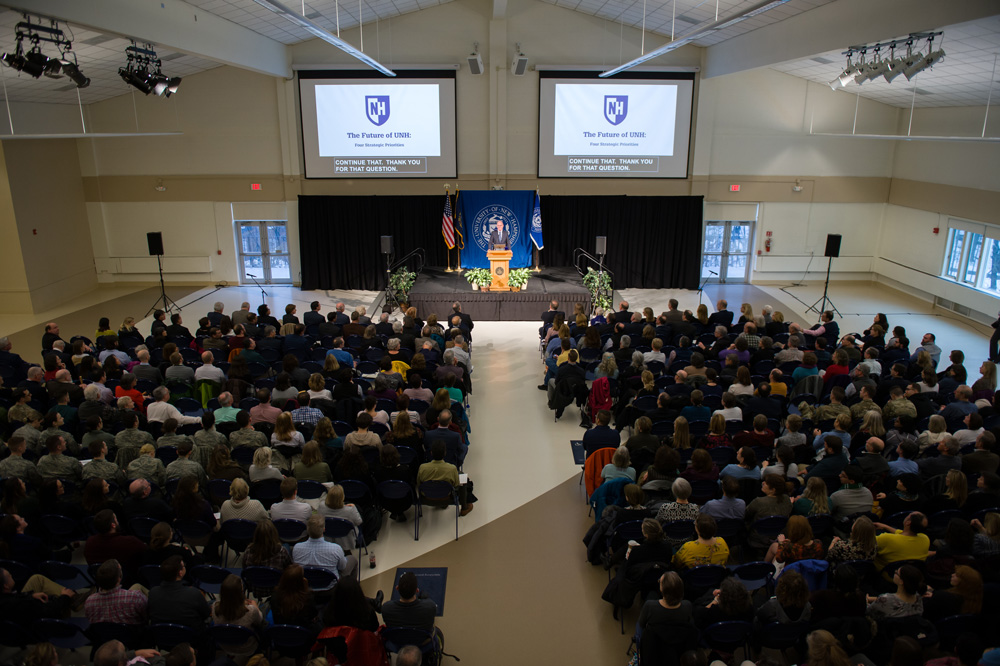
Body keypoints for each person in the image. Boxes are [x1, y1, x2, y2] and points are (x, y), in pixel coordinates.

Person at [148, 555, 211, 638]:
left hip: (163, 638)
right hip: (190, 640)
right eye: (184, 566)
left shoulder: (153, 592)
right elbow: (206, 614)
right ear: (180, 573)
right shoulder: (194, 593)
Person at [381, 570, 442, 646]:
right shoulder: (430, 607)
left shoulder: (386, 608)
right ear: (417, 590)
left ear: (397, 588)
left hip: (397, 642)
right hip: (422, 642)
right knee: (425, 595)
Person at [210, 574, 264, 656]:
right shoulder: (251, 611)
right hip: (247, 648)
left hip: (225, 646)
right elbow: (260, 621)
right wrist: (256, 607)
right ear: (241, 592)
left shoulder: (214, 607)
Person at [85, 559, 147, 625]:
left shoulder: (89, 602)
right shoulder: (135, 597)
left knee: (136, 586)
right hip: (134, 633)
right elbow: (146, 616)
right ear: (119, 579)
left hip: (103, 634)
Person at [270, 564, 320, 633]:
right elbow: (313, 614)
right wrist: (306, 588)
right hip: (305, 636)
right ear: (301, 581)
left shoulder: (275, 597)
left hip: (281, 634)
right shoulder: (308, 598)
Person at [318, 484, 364, 553]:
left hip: (327, 537)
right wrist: (354, 507)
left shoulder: (321, 506)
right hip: (346, 539)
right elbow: (359, 522)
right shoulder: (350, 510)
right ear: (342, 497)